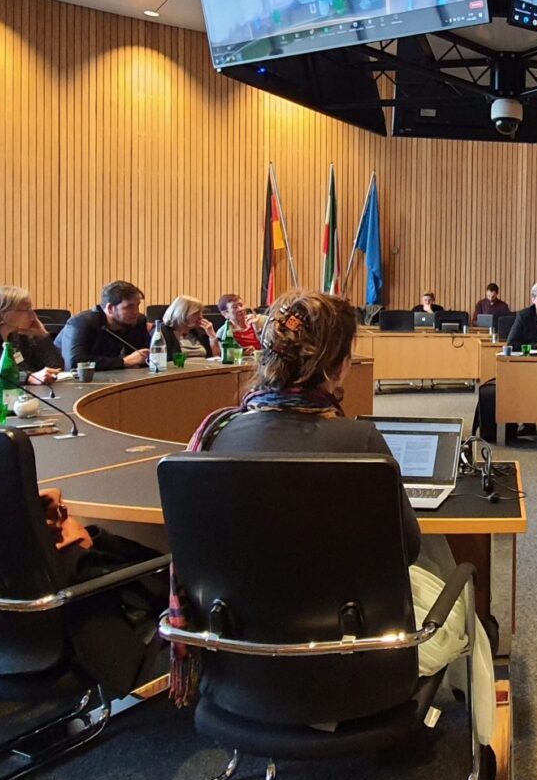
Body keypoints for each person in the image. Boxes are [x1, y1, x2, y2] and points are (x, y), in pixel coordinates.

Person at [190, 291, 490, 739]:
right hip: (357, 658)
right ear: (336, 366)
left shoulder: (217, 435)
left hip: (242, 658)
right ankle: (486, 732)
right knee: (448, 567)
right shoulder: (360, 442)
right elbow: (403, 549)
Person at [58, 281, 150, 371]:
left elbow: (146, 355)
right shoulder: (81, 323)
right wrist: (124, 362)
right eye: (129, 307)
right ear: (110, 308)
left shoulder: (138, 321)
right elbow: (75, 363)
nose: (136, 312)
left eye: (137, 306)